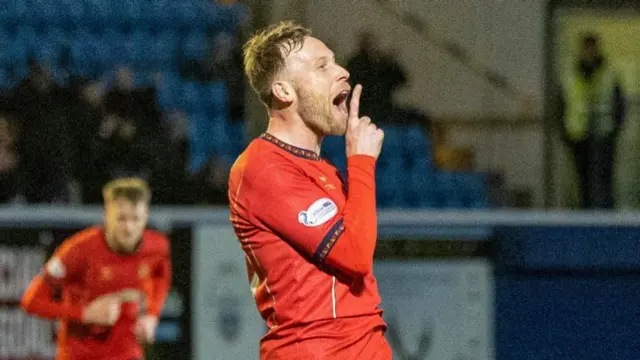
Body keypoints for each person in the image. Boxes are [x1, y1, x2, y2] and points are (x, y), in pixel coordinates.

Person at [228, 21, 390, 359]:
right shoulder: (262, 168)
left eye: (335, 60)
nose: (342, 70)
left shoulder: (322, 169)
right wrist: (361, 161)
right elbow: (356, 256)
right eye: (322, 65)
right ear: (284, 92)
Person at [21, 177, 172, 360]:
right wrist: (85, 314)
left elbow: (161, 275)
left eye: (135, 219)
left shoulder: (157, 246)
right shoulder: (77, 250)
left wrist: (152, 315)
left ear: (145, 217)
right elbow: (31, 301)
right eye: (121, 219)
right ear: (106, 215)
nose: (129, 228)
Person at [556, 33, 625, 209]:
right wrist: (564, 132)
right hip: (578, 135)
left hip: (603, 133)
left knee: (604, 177)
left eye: (592, 48)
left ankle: (607, 214)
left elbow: (619, 104)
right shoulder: (570, 75)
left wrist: (615, 129)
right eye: (587, 49)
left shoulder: (609, 74)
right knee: (582, 178)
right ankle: (585, 212)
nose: (589, 52)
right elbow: (561, 105)